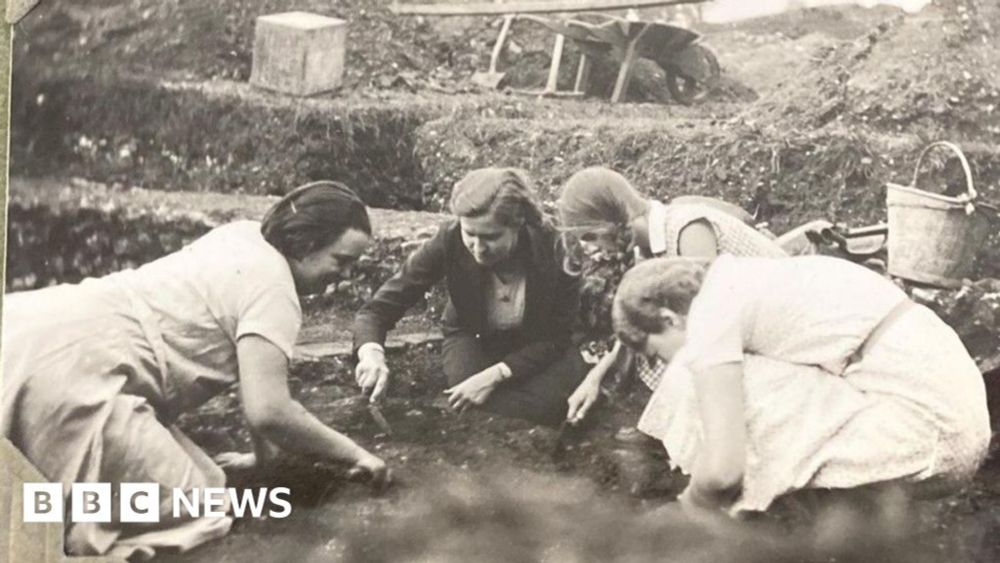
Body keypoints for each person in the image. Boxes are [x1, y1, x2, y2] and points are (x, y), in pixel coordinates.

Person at [1, 181, 390, 560]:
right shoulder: (276, 294)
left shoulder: (243, 235)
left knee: (207, 481)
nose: (345, 274)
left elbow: (253, 377)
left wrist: (262, 459)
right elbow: (269, 410)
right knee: (201, 508)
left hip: (36, 325)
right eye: (342, 260)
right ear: (307, 244)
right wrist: (357, 456)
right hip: (76, 376)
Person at [612, 256, 990, 514]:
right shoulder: (743, 276)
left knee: (692, 380)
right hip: (954, 417)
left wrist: (689, 507)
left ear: (668, 318)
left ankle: (755, 530)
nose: (661, 363)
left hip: (928, 428)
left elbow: (725, 468)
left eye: (656, 353)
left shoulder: (712, 315)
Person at [556, 166, 796, 427]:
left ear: (613, 216)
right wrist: (595, 378)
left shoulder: (687, 230)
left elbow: (712, 334)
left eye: (590, 236)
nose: (591, 248)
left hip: (785, 333)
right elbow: (635, 330)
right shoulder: (644, 252)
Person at [353, 168, 588, 427]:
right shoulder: (449, 239)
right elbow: (377, 310)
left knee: (547, 407)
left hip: (540, 342)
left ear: (518, 222)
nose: (478, 248)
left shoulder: (556, 247)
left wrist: (496, 374)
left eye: (491, 237)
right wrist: (371, 354)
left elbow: (558, 335)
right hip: (473, 335)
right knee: (468, 402)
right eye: (470, 235)